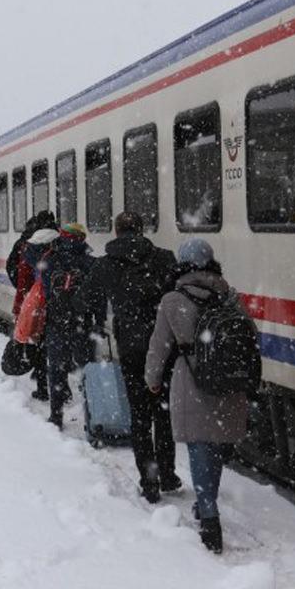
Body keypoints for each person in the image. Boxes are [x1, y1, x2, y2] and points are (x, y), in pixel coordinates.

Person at [145, 238, 250, 554]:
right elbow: (249, 337)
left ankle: (209, 516)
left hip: (191, 379)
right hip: (227, 381)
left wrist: (152, 379)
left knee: (199, 446)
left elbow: (159, 345)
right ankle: (208, 504)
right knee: (215, 445)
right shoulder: (230, 294)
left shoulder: (173, 299)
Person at [85, 212, 180, 504]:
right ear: (141, 230)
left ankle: (149, 481)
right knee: (163, 410)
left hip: (131, 346)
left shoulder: (105, 264)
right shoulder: (164, 258)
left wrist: (99, 317)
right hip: (163, 343)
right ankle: (167, 473)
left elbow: (85, 298)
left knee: (139, 415)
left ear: (116, 232)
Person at [33, 222, 101, 426]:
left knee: (56, 369)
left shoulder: (49, 259)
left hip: (57, 321)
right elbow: (97, 296)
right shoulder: (89, 262)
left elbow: (44, 291)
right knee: (88, 371)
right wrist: (98, 321)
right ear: (81, 238)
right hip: (83, 322)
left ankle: (56, 415)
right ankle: (93, 418)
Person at [16, 216, 59, 399]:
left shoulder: (29, 251)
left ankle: (43, 388)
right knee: (56, 352)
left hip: (36, 307)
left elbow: (22, 282)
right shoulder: (59, 249)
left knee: (38, 348)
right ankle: (62, 390)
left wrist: (19, 307)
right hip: (57, 306)